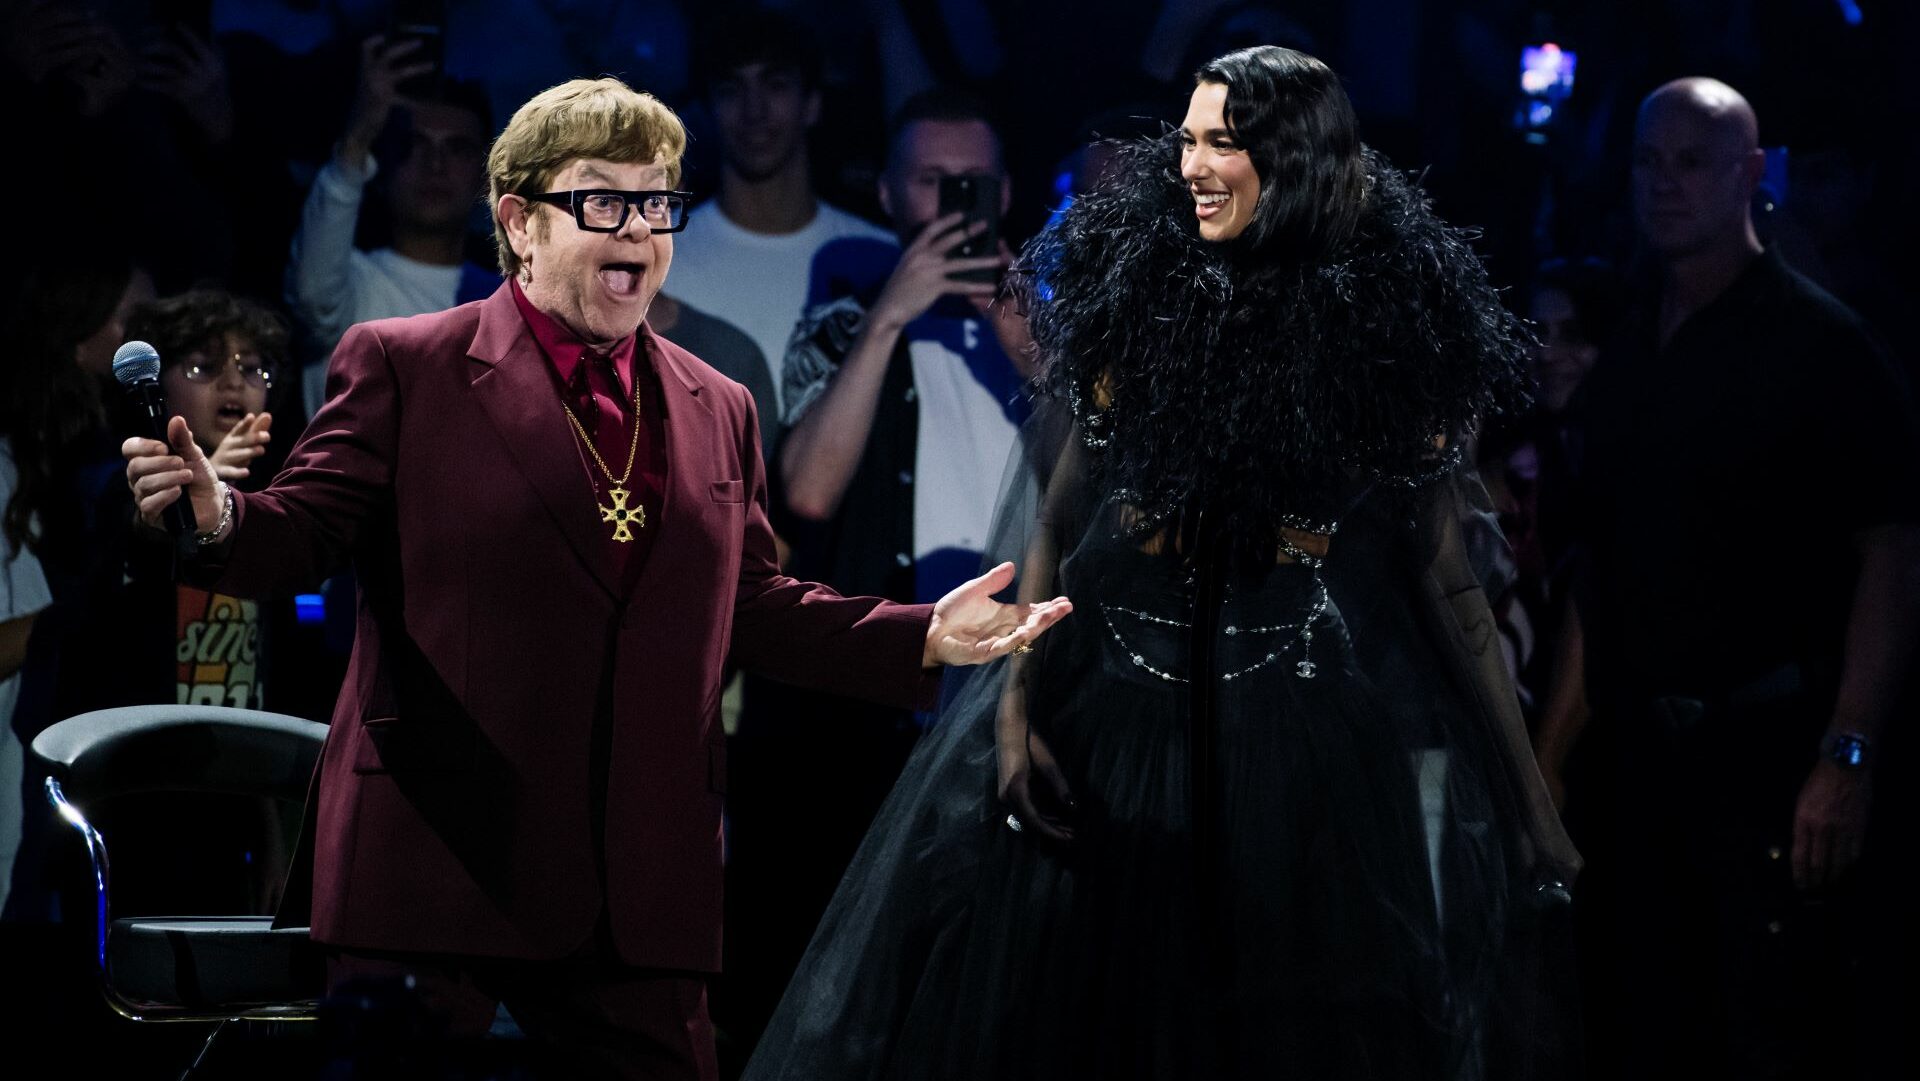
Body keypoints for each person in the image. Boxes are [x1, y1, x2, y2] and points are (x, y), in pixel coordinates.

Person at [122, 76, 1066, 1081]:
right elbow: (299, 532)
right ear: (520, 223)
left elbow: (748, 602)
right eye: (602, 202)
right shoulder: (409, 364)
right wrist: (217, 519)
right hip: (442, 863)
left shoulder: (719, 403)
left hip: (636, 880)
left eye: (657, 203)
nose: (639, 228)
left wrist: (919, 633)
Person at [742, 46, 1578, 1080]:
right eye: (1186, 138)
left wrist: (1533, 805)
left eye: (1221, 140)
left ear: (1298, 155)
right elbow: (1056, 522)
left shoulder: (1388, 329)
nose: (1189, 163)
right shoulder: (1139, 293)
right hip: (1115, 717)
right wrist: (1011, 720)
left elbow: (1453, 581)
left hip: (1295, 734)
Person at [1535, 78, 1920, 1080]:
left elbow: (1892, 549)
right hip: (1637, 766)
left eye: (1692, 162)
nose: (1664, 184)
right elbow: (1600, 579)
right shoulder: (1629, 349)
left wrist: (1850, 751)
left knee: (1763, 1035)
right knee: (1639, 1024)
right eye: (1648, 163)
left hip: (1763, 756)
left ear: (1749, 174)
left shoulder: (1823, 346)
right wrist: (1548, 762)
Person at [725, 88, 1030, 1048]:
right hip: (867, 708)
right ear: (894, 193)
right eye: (930, 181)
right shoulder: (838, 326)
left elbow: (1104, 477)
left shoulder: (1050, 333)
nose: (949, 203)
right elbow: (805, 493)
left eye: (968, 183)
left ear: (1005, 191)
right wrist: (891, 315)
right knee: (834, 981)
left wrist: (1024, 332)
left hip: (1015, 706)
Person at [662, 10, 895, 417]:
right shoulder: (663, 259)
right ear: (709, 110)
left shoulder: (879, 258)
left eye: (776, 85)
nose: (755, 110)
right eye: (732, 90)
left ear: (812, 104)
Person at [286, 35, 499, 414]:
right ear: (383, 166)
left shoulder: (510, 300)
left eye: (456, 148)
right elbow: (313, 296)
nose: (435, 165)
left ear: (486, 178)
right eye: (415, 144)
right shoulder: (348, 285)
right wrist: (359, 133)